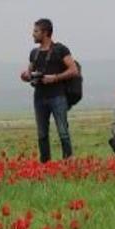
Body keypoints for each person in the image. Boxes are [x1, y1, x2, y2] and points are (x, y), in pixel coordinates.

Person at [20, 18, 79, 163]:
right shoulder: (34, 52)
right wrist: (26, 76)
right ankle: (45, 164)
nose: (33, 34)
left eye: (36, 31)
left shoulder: (60, 49)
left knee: (63, 131)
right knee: (41, 134)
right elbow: (29, 73)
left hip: (57, 96)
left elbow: (74, 70)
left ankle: (68, 160)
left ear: (45, 33)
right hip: (39, 97)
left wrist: (55, 77)